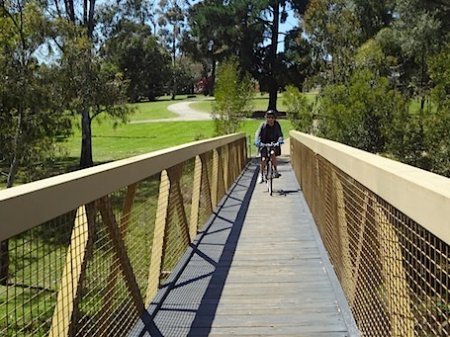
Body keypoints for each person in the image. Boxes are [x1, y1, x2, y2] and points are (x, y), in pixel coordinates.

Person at [254, 109, 284, 184]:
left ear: (274, 118)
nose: (270, 119)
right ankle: (261, 175)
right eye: (268, 117)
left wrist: (280, 140)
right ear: (266, 118)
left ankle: (275, 171)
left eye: (272, 117)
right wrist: (258, 142)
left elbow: (280, 134)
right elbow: (258, 134)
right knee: (263, 159)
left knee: (272, 153)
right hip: (263, 144)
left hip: (273, 144)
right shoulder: (263, 126)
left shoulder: (277, 125)